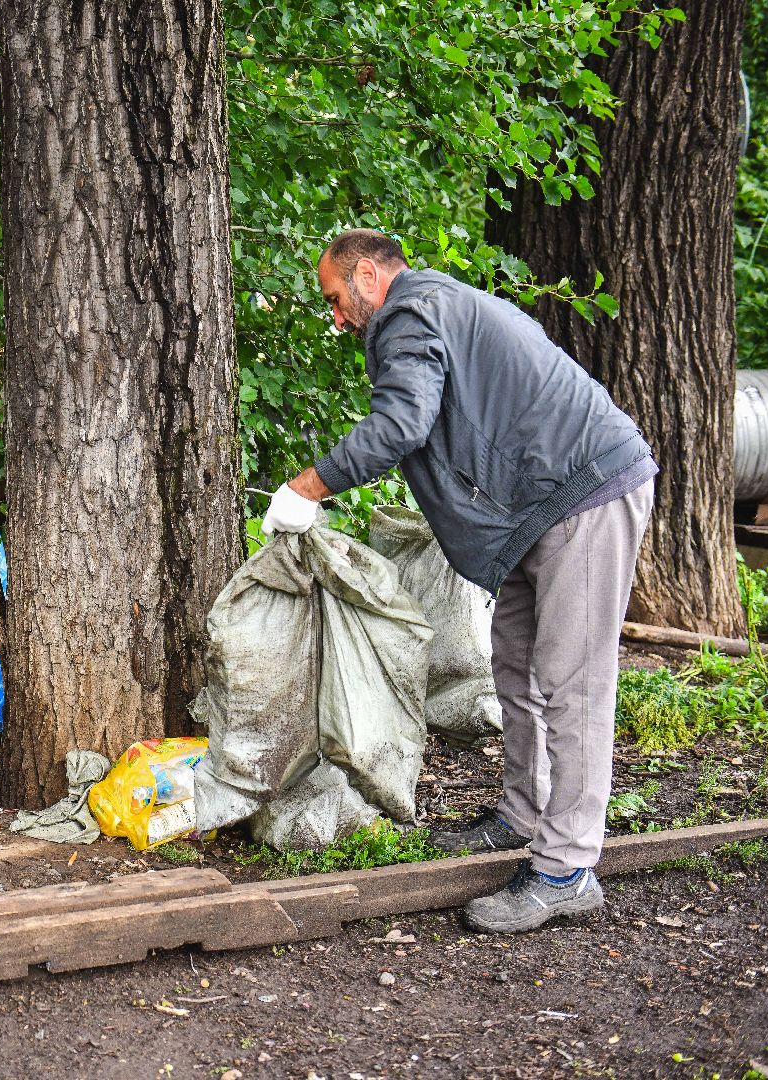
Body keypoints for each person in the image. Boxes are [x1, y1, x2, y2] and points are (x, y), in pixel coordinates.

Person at [265, 228, 657, 934]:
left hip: (584, 492)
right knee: (516, 665)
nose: (337, 318)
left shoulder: (409, 314)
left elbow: (401, 424)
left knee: (572, 683)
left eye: (335, 299)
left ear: (368, 277)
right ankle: (523, 816)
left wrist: (308, 487)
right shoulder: (435, 307)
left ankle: (566, 869)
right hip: (537, 504)